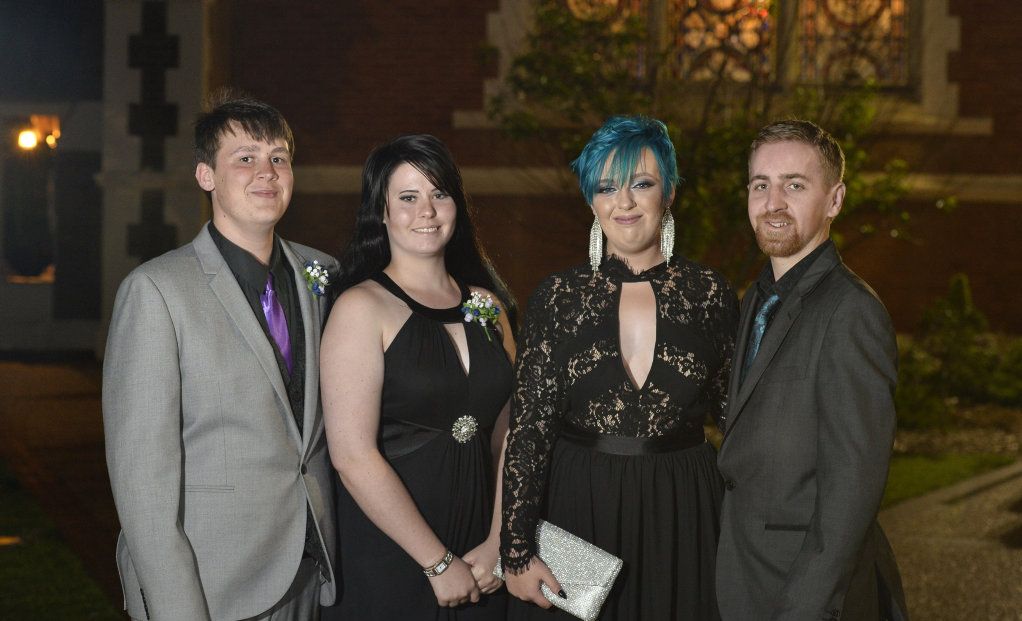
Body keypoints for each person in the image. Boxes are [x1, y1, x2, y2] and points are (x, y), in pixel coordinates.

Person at [102, 93, 338, 620]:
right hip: (213, 585)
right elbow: (142, 483)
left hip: (310, 573)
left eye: (279, 157)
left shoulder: (323, 276)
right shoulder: (156, 291)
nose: (267, 172)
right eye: (246, 158)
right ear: (206, 175)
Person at [500, 116, 738, 620]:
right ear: (591, 200)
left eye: (641, 184)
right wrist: (516, 551)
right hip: (580, 506)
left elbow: (738, 421)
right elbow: (529, 433)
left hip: (684, 511)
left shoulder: (709, 294)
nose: (624, 202)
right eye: (606, 187)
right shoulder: (557, 298)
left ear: (668, 192)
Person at [715, 119, 908, 621]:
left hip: (802, 593)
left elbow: (853, 488)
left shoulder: (852, 312)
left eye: (794, 185)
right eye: (762, 185)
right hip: (746, 576)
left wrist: (807, 607)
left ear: (835, 199)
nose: (773, 202)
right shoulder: (755, 299)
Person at [320, 134, 516, 619]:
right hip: (394, 557)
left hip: (483, 558)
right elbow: (352, 455)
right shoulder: (360, 308)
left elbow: (510, 434)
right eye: (407, 197)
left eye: (439, 194)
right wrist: (436, 561)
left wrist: (500, 540)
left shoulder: (488, 306)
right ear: (381, 212)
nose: (426, 210)